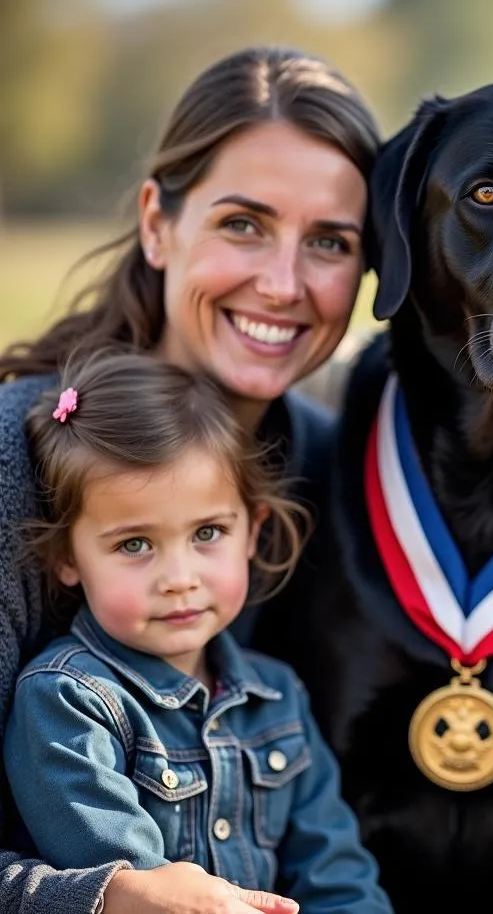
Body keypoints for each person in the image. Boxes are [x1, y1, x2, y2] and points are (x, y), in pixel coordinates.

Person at [0, 46, 379, 914]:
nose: (282, 284)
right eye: (242, 223)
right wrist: (101, 897)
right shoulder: (15, 462)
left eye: (329, 241)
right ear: (157, 224)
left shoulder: (326, 464)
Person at [4, 352, 392, 914]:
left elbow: (337, 873)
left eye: (208, 532)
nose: (180, 580)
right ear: (68, 556)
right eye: (134, 544)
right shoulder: (66, 702)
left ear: (252, 530)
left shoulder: (279, 697)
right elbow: (145, 892)